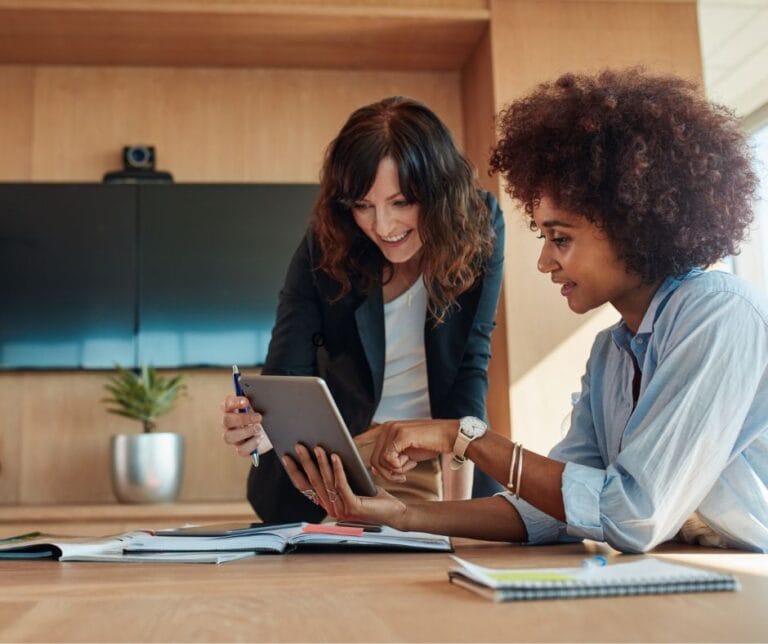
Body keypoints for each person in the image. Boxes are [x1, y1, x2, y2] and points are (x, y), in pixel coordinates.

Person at [281, 69, 768, 553]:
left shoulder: (718, 314)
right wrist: (405, 515)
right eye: (543, 238)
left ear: (632, 226)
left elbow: (630, 514)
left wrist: (465, 436)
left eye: (561, 239)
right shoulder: (609, 357)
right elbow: (553, 510)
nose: (543, 260)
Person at [221, 96, 505, 522]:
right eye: (363, 206)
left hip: (441, 460)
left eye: (402, 202)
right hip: (337, 466)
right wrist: (260, 428)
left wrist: (457, 516)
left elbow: (470, 366)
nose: (383, 227)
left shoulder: (478, 225)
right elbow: (287, 372)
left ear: (440, 193)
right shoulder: (327, 241)